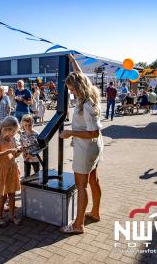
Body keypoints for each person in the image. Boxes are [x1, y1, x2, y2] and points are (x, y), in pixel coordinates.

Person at [59, 54, 103, 235]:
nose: (71, 92)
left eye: (72, 89)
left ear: (78, 87)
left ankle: (78, 225)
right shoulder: (89, 91)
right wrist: (72, 60)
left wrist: (70, 133)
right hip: (94, 148)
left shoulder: (87, 105)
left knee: (81, 185)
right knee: (93, 180)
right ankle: (95, 212)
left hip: (87, 148)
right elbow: (80, 74)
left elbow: (94, 132)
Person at [0, 116, 22, 227]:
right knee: (2, 195)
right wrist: (9, 150)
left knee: (12, 194)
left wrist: (19, 152)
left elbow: (15, 154)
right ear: (7, 129)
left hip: (12, 168)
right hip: (2, 170)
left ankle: (11, 216)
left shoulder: (13, 139)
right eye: (14, 132)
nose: (14, 134)